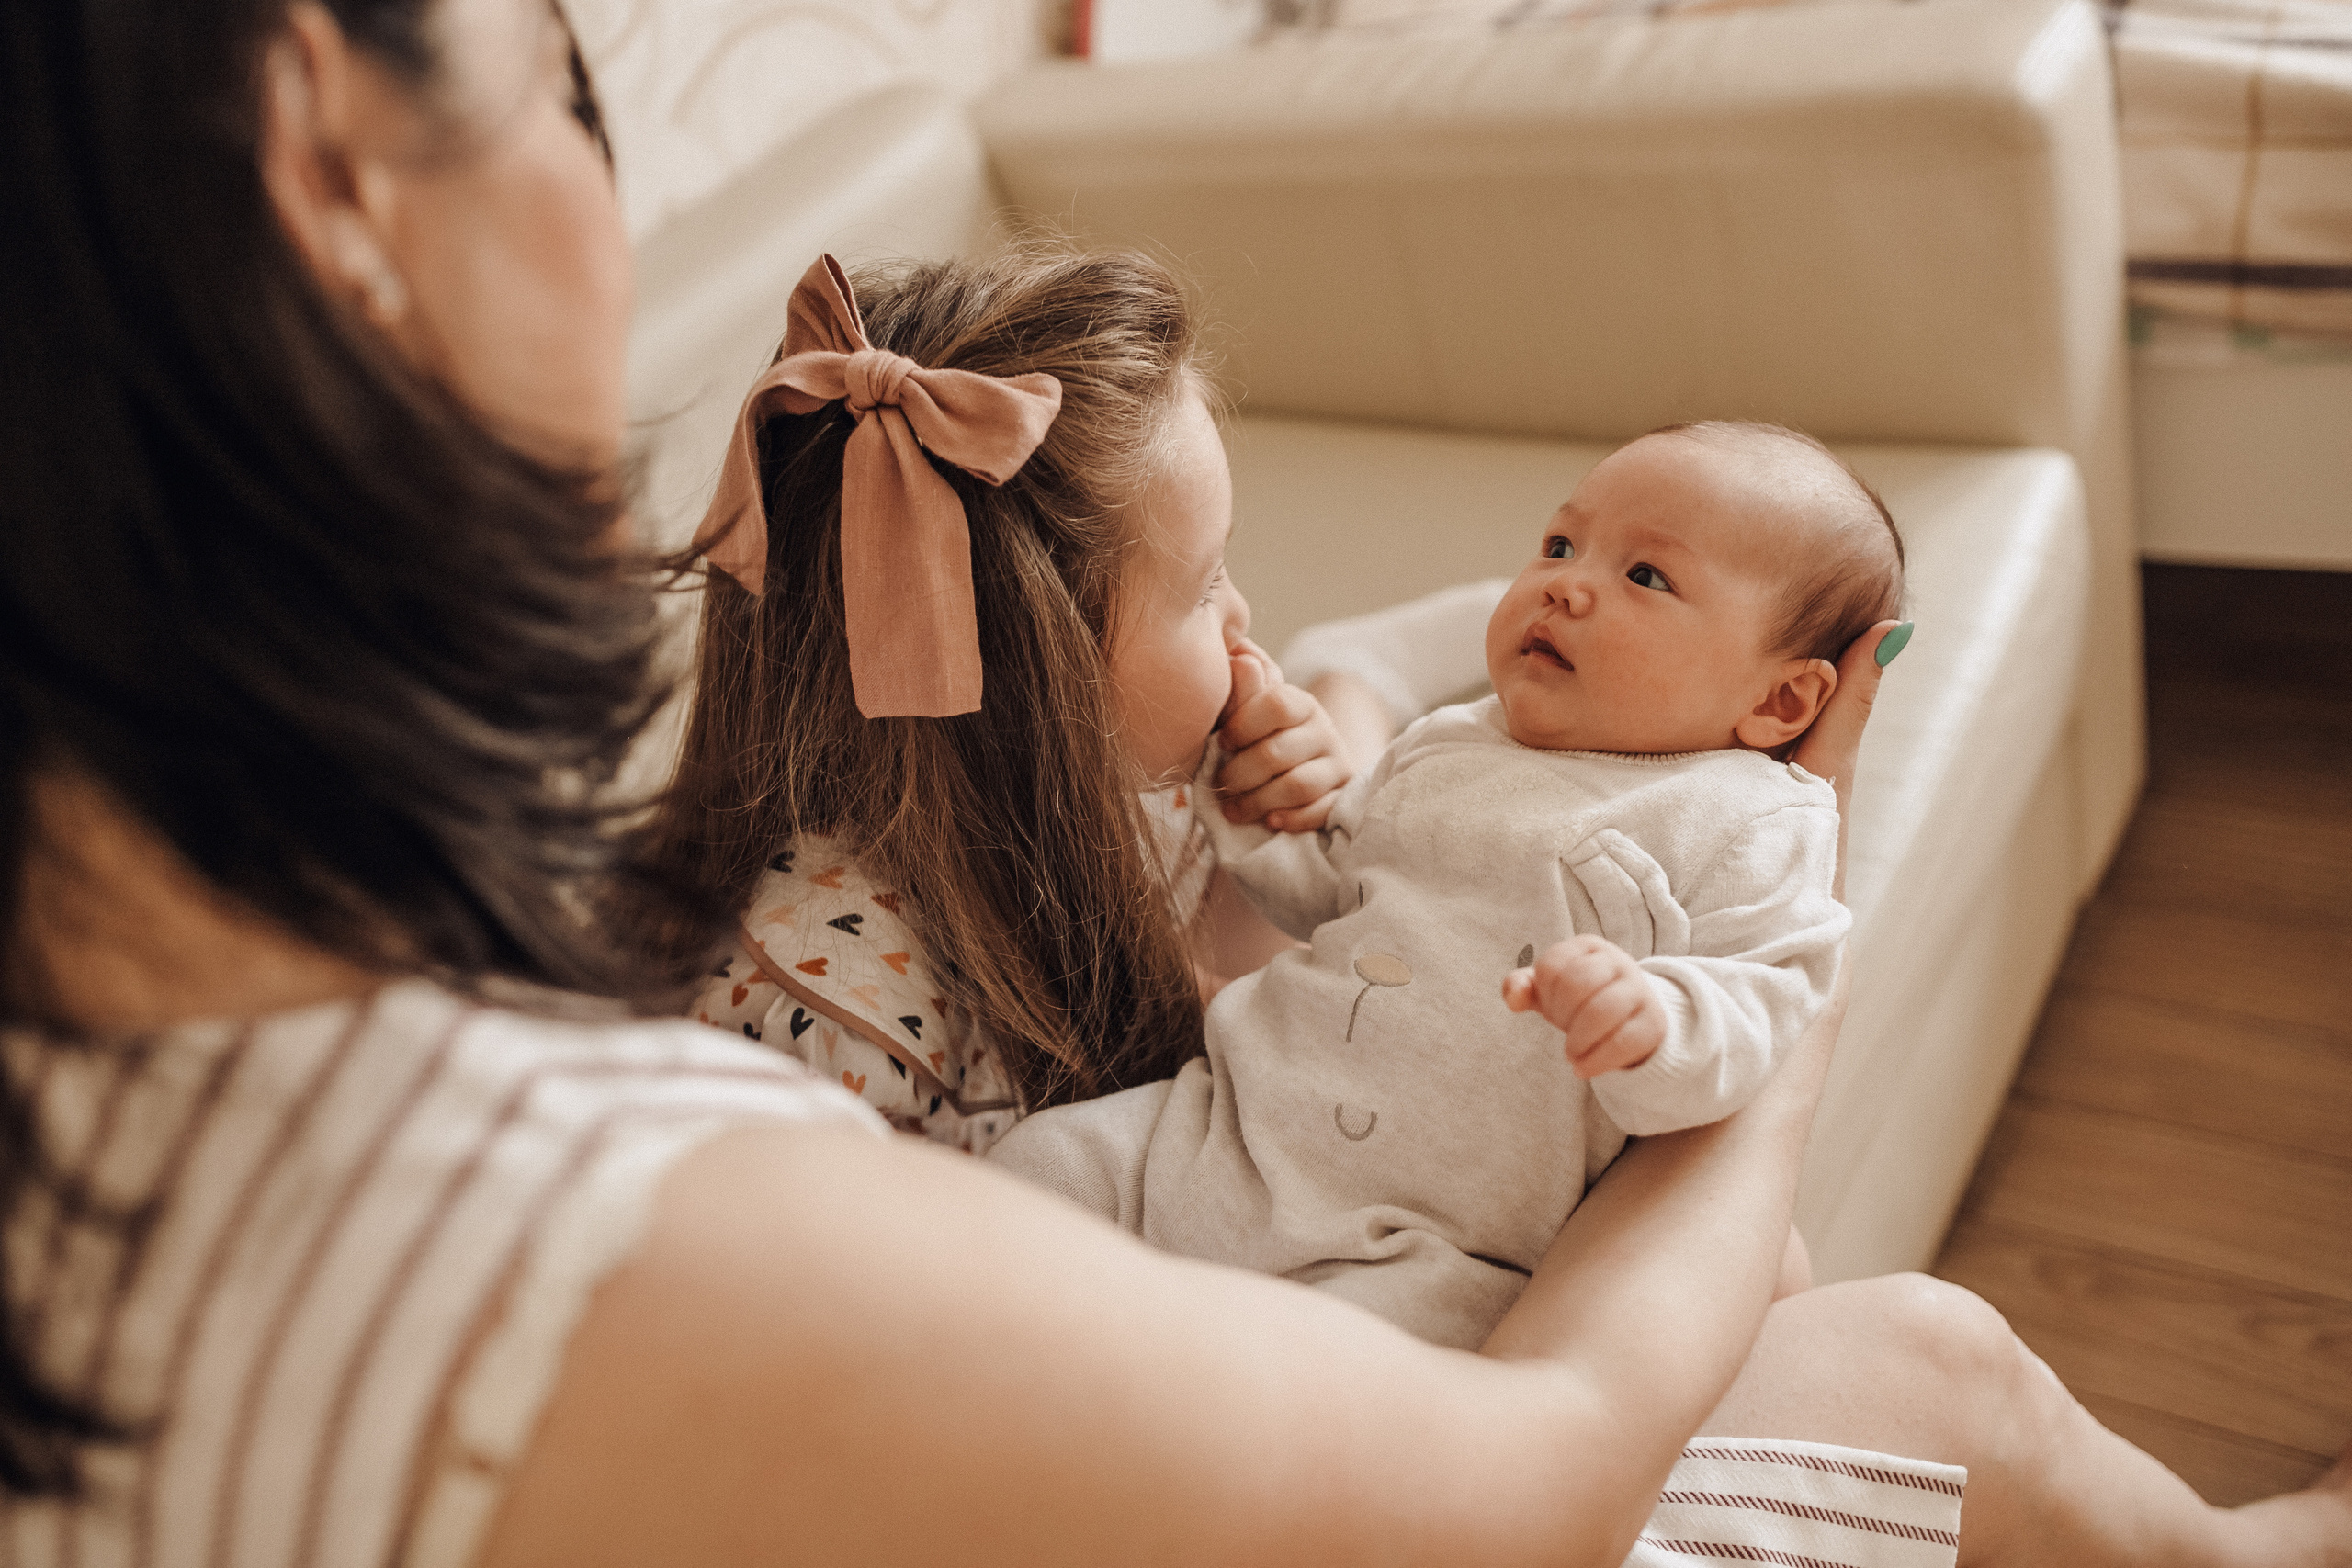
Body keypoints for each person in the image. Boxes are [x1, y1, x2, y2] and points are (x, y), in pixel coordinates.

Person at [2, 4, 2346, 1566]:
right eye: (565, 85)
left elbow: (1269, 997)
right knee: (1921, 1352)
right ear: (330, 148)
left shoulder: (213, 1013)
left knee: (1927, 1347)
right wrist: (1773, 973)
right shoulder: (647, 1174)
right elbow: (1492, 1488)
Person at [988, 422, 1892, 1349]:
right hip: (1221, 1130)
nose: (1564, 583)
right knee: (1036, 1165)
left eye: (1645, 576)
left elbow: (1772, 988)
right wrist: (1262, 802)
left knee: (1323, 1378)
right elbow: (1339, 889)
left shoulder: (1751, 814)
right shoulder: (1455, 740)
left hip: (1427, 1248)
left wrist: (1652, 1018)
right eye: (1558, 544)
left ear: (1780, 702)